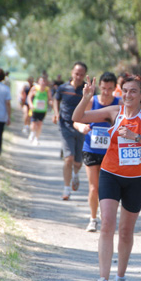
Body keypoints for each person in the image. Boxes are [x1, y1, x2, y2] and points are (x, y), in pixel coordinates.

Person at [72, 74, 141, 281]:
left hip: (137, 178)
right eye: (124, 90)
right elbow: (78, 117)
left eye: (133, 91)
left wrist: (137, 137)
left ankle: (120, 280)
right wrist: (86, 97)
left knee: (125, 231)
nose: (128, 95)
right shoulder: (115, 111)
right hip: (111, 173)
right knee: (107, 225)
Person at [75, 72, 120, 233]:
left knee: (105, 187)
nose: (106, 92)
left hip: (111, 152)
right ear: (99, 87)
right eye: (103, 88)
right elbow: (77, 120)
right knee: (94, 187)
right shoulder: (92, 101)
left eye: (110, 88)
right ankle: (93, 219)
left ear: (115, 88)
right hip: (91, 148)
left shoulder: (118, 104)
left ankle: (104, 212)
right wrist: (82, 127)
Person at [53, 62, 87, 200]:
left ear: (85, 75)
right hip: (65, 125)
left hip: (81, 126)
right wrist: (56, 113)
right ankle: (66, 189)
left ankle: (75, 174)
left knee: (78, 162)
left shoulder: (86, 89)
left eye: (81, 74)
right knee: (69, 158)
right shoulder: (63, 88)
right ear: (72, 72)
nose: (78, 76)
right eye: (76, 73)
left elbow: (92, 104)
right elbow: (55, 100)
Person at [27, 75, 52, 145]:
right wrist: (31, 105)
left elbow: (50, 98)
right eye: (41, 81)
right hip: (35, 109)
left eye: (44, 81)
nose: (42, 82)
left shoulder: (47, 90)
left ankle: (36, 138)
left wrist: (51, 102)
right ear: (38, 81)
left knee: (40, 124)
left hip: (43, 110)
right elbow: (29, 97)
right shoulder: (34, 88)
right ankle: (32, 132)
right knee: (33, 123)